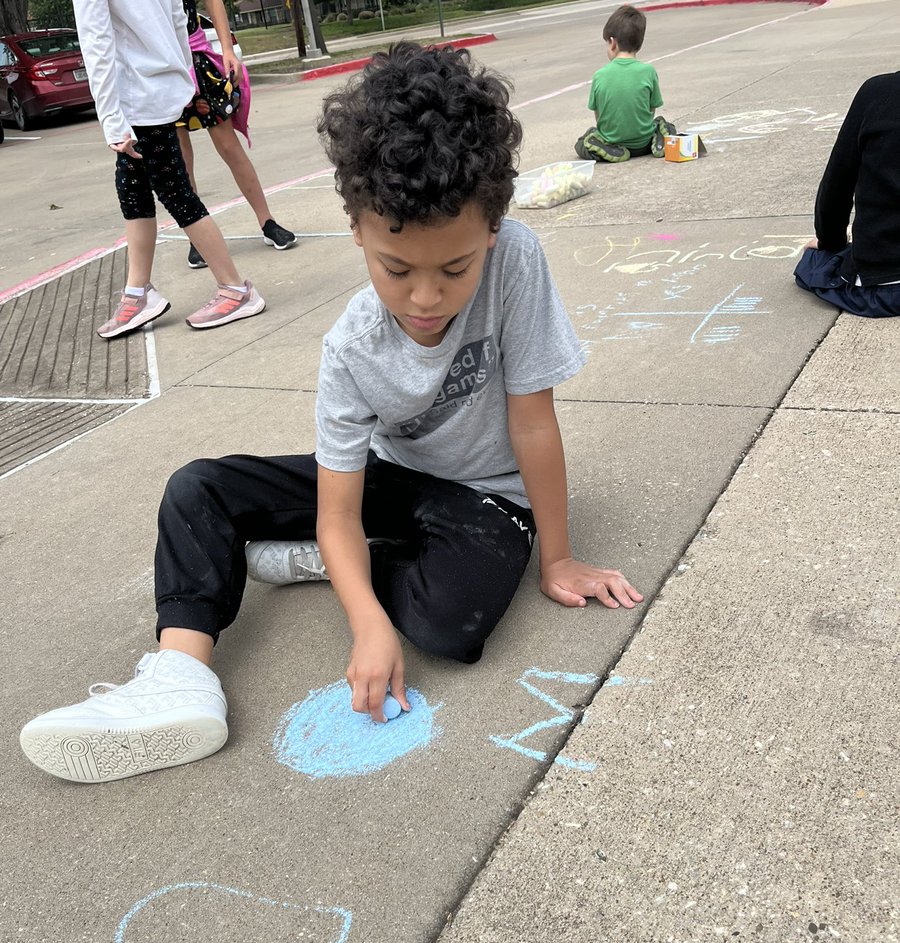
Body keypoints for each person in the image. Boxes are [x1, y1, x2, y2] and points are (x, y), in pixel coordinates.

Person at [19, 42, 643, 785]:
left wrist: (559, 555)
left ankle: (320, 568)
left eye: (454, 269)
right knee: (199, 487)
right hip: (393, 481)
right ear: (357, 231)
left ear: (492, 230)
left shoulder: (517, 261)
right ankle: (181, 675)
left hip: (485, 499)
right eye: (396, 267)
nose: (425, 299)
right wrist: (368, 622)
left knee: (454, 625)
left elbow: (534, 421)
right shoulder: (351, 347)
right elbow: (339, 507)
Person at [73, 0, 265, 337]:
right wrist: (180, 72)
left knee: (174, 190)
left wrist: (111, 119)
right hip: (155, 86)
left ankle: (235, 288)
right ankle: (137, 292)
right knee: (132, 189)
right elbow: (179, 15)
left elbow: (96, 41)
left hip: (137, 95)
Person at [176, 0, 296, 270]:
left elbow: (214, 2)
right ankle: (197, 237)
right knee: (181, 158)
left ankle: (267, 222)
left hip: (197, 61)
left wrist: (227, 49)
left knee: (230, 148)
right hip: (165, 71)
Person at [794, 71, 900, 318]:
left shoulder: (877, 92)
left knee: (813, 263)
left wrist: (829, 243)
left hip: (887, 285)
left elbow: (837, 182)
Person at [575, 4, 674, 165]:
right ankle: (661, 142)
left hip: (612, 140)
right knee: (663, 124)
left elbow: (598, 115)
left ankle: (609, 151)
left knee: (583, 141)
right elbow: (651, 109)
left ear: (613, 43)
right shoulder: (648, 71)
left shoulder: (599, 75)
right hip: (643, 144)